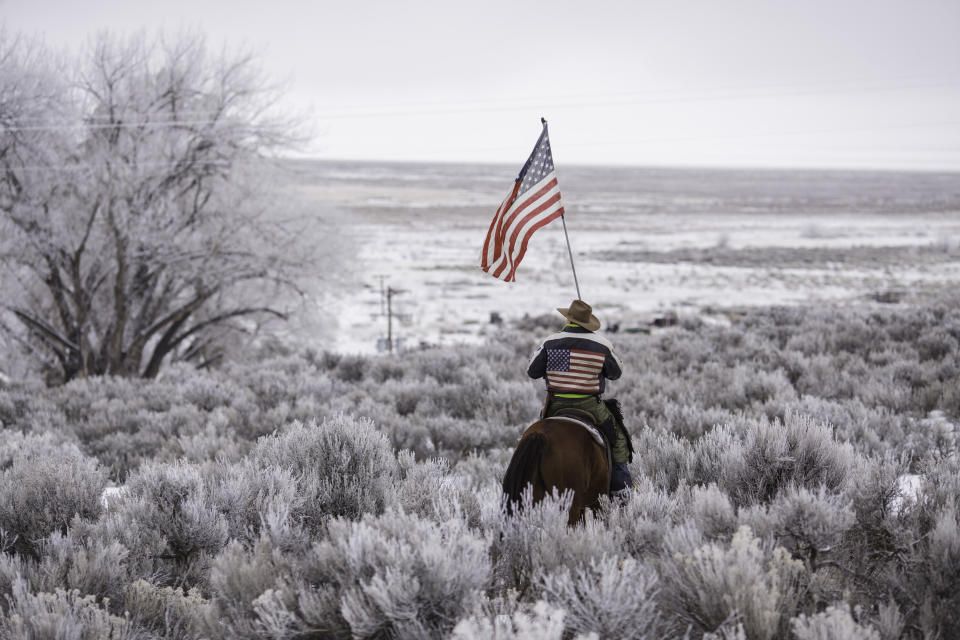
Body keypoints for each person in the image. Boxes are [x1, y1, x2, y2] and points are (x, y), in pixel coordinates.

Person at [526, 299, 634, 498]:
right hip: (590, 405)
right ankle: (621, 489)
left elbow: (532, 371)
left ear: (568, 319)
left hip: (555, 405)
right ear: (587, 322)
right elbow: (616, 373)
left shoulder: (550, 342)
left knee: (535, 438)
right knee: (618, 439)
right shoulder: (601, 344)